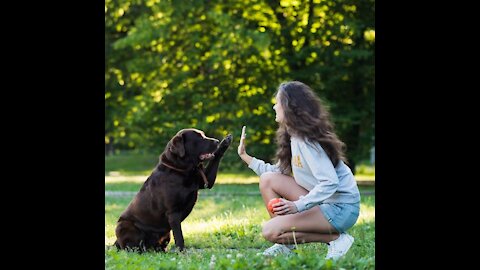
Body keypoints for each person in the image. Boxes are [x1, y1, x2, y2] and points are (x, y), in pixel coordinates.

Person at [237, 81, 360, 260]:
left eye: (277, 102)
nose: (274, 106)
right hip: (326, 203)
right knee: (268, 179)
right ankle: (286, 244)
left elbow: (330, 182)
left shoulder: (306, 141)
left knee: (270, 230)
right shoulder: (293, 136)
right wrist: (246, 157)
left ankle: (336, 239)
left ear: (288, 106)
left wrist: (297, 206)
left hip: (341, 208)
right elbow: (277, 173)